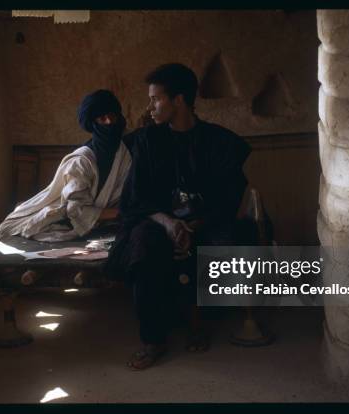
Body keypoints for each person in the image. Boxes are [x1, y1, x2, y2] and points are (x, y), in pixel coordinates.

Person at [105, 63, 255, 370]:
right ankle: (152, 340)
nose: (151, 106)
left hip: (205, 219)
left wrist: (195, 223)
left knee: (218, 241)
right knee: (143, 245)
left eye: (156, 99)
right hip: (157, 220)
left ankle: (197, 323)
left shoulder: (218, 142)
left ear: (179, 100)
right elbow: (136, 198)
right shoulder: (147, 141)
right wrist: (169, 222)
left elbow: (228, 195)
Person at [0, 90, 131, 242]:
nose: (109, 122)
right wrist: (122, 212)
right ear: (93, 124)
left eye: (112, 116)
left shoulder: (123, 153)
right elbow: (76, 210)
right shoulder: (81, 161)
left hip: (98, 222)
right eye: (102, 118)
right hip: (59, 218)